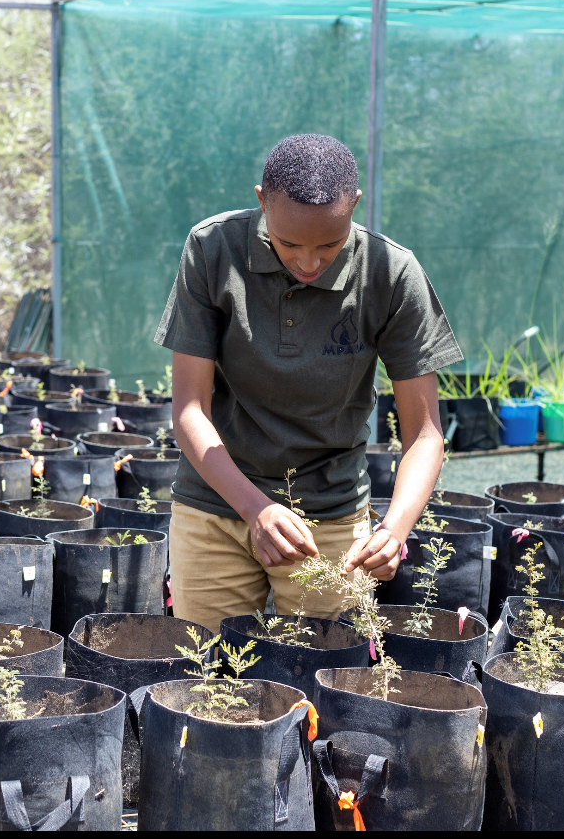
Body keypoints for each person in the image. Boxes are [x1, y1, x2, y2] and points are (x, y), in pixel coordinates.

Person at [154, 133, 463, 632]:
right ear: (261, 201)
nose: (309, 262)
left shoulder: (391, 273)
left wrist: (393, 531)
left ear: (354, 207)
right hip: (216, 506)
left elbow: (425, 435)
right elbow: (190, 408)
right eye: (290, 243)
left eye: (330, 245)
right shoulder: (213, 250)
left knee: (326, 682)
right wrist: (255, 508)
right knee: (209, 681)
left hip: (331, 518)